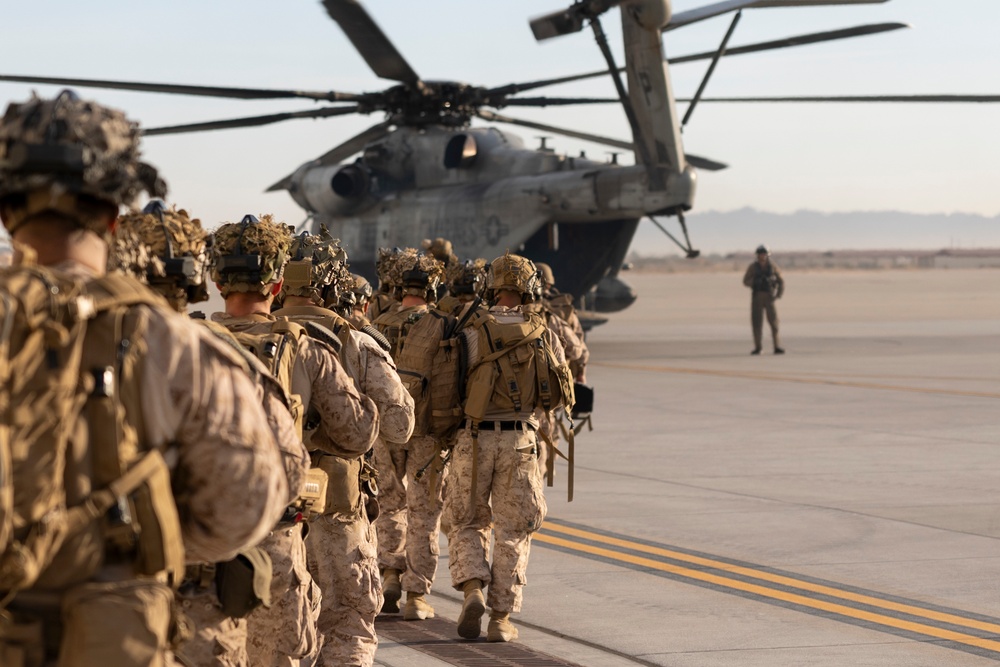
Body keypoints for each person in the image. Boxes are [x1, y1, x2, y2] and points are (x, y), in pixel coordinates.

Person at [0, 92, 287, 665]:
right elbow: (247, 506)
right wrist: (137, 543)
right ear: (112, 217)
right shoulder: (180, 344)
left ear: (7, 211)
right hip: (115, 630)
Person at [110, 202, 308, 667]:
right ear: (196, 280)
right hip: (195, 598)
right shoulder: (221, 360)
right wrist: (178, 547)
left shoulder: (64, 342)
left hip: (86, 598)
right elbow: (284, 477)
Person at [210, 215, 380, 667]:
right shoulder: (306, 350)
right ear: (278, 282)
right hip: (275, 538)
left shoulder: (178, 342)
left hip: (199, 535)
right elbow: (358, 433)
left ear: (215, 279)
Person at [272, 230, 415, 667]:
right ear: (333, 284)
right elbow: (399, 425)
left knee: (278, 634)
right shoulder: (356, 341)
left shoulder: (250, 337)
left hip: (265, 511)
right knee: (348, 624)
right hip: (335, 510)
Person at [443, 252, 573, 642]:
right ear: (528, 287)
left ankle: (472, 589)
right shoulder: (543, 331)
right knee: (514, 529)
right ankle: (501, 619)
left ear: (493, 285)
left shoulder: (468, 328)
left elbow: (449, 384)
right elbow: (561, 394)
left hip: (474, 437)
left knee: (465, 520)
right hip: (520, 440)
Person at [370, 249, 452, 620]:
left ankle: (389, 572)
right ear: (433, 287)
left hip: (384, 432)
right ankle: (416, 595)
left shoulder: (377, 324)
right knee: (424, 513)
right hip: (427, 434)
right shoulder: (442, 325)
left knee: (389, 505)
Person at [742, 244, 785, 355]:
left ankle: (776, 346)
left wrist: (778, 294)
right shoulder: (753, 267)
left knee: (774, 323)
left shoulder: (773, 266)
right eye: (761, 254)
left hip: (769, 297)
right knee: (757, 323)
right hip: (757, 297)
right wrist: (755, 282)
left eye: (764, 254)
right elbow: (745, 281)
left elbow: (781, 281)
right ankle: (758, 347)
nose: (763, 256)